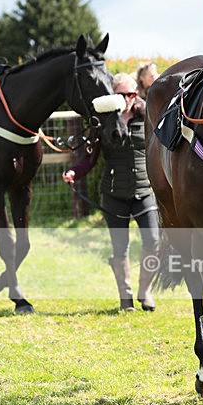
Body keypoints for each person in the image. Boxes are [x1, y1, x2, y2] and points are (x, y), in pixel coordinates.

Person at [62, 72, 159, 312]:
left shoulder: (148, 117)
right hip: (113, 193)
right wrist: (75, 172)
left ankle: (144, 290)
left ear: (136, 95)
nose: (126, 98)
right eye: (120, 94)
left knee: (153, 241)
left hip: (144, 190)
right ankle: (125, 298)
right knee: (120, 247)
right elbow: (89, 157)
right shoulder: (103, 122)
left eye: (130, 94)